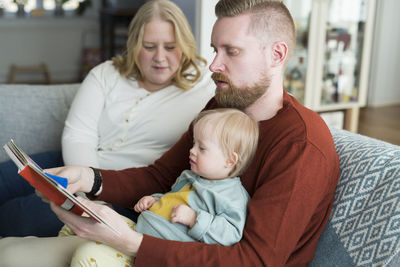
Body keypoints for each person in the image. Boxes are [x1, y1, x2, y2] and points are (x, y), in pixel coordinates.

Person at [0, 1, 340, 266]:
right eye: (214, 49)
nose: (213, 65)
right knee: (10, 252)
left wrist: (130, 243)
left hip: (168, 252)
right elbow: (161, 175)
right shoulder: (220, 106)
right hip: (157, 242)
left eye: (231, 51)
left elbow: (255, 260)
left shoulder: (301, 145)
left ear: (277, 55)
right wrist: (90, 178)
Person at [0, 0, 214, 237]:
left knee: (18, 216)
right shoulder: (106, 73)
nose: (160, 57)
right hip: (73, 163)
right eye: (150, 46)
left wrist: (96, 196)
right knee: (4, 179)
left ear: (184, 46)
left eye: (171, 47)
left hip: (127, 188)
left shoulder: (204, 87)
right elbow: (78, 136)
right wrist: (85, 188)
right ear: (134, 45)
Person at [61, 108, 258, 266]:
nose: (192, 151)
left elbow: (231, 235)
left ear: (230, 160)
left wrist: (194, 219)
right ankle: (63, 245)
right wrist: (154, 200)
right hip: (139, 230)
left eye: (202, 148)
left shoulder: (231, 195)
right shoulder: (189, 176)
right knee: (84, 215)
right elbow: (171, 198)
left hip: (153, 253)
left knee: (87, 256)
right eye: (194, 144)